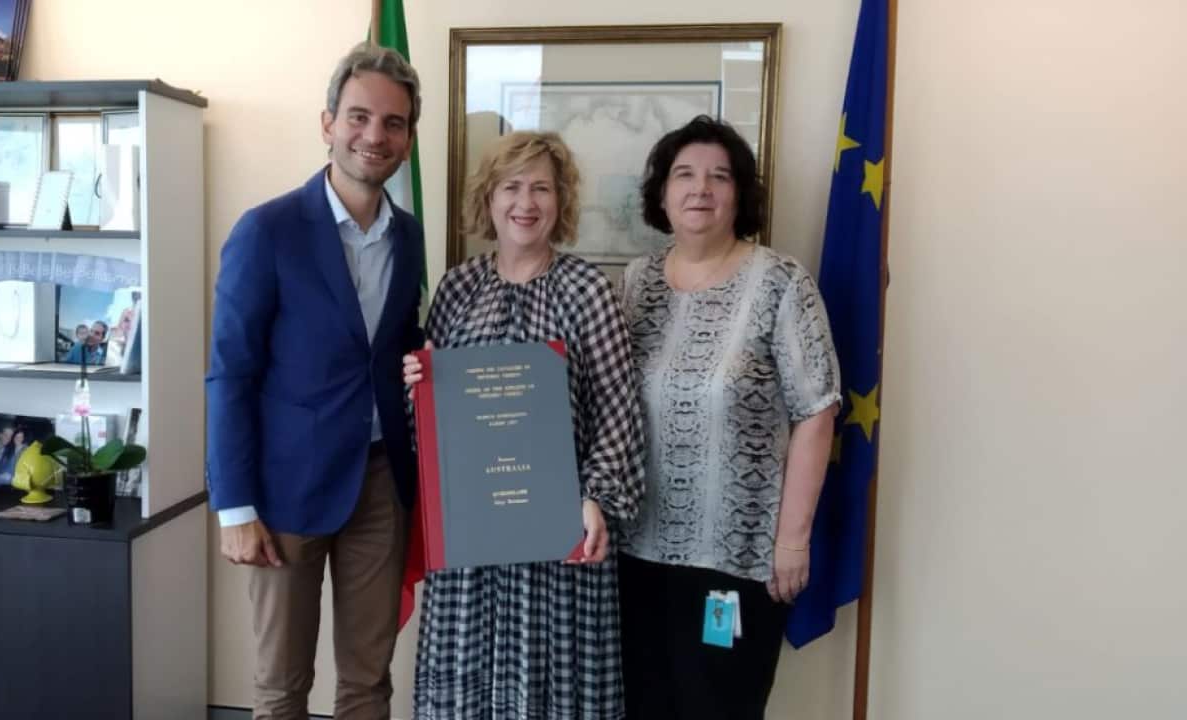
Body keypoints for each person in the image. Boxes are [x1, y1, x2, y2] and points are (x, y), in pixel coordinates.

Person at [206, 41, 426, 720]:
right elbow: (231, 373)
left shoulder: (409, 236)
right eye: (359, 116)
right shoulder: (266, 230)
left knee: (368, 683)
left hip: (381, 485)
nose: (374, 135)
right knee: (281, 686)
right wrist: (234, 507)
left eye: (393, 123)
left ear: (408, 139)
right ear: (328, 123)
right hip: (285, 492)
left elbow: (393, 348)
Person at [402, 131, 645, 719]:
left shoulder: (587, 291)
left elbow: (617, 407)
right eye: (511, 187)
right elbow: (437, 426)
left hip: (558, 539)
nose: (526, 203)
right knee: (465, 688)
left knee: (551, 691)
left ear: (561, 200)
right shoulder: (457, 289)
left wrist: (597, 499)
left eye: (542, 188)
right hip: (471, 543)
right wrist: (417, 388)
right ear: (489, 197)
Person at [617, 115, 842, 719]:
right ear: (662, 192)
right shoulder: (637, 282)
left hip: (736, 559)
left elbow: (816, 412)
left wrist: (792, 540)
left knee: (719, 707)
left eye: (719, 176)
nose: (701, 189)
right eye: (684, 175)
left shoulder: (781, 283)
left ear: (739, 195)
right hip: (635, 554)